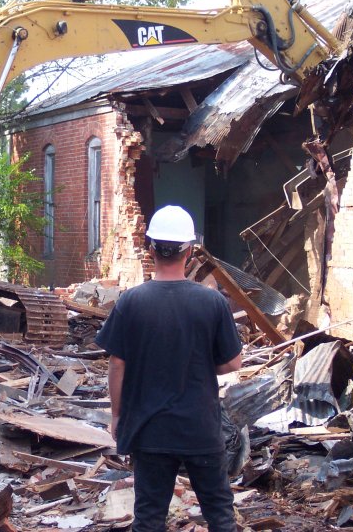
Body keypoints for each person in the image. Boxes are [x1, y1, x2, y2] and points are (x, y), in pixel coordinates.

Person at [95, 205, 242, 532]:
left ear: (151, 249)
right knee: (220, 516)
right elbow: (233, 363)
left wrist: (117, 417)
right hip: (200, 429)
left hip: (150, 432)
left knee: (149, 519)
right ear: (189, 251)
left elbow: (117, 363)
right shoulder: (213, 302)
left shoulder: (131, 302)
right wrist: (198, 364)